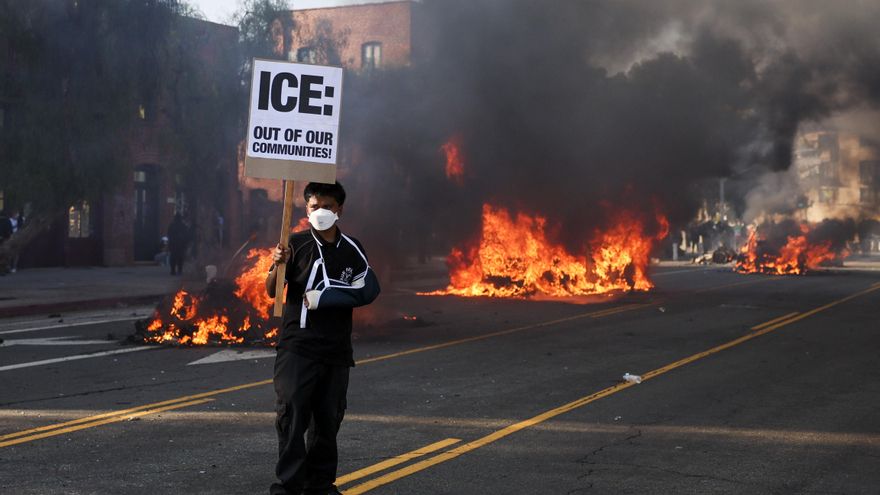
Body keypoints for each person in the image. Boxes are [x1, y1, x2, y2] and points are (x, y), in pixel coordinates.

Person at [265, 181, 380, 495]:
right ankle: (288, 485)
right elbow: (271, 291)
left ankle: (320, 485)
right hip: (297, 346)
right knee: (291, 415)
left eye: (327, 207)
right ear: (306, 209)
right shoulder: (293, 244)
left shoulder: (352, 249)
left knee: (328, 421)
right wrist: (277, 265)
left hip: (335, 348)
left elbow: (368, 290)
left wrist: (327, 297)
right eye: (315, 207)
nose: (321, 213)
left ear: (339, 209)